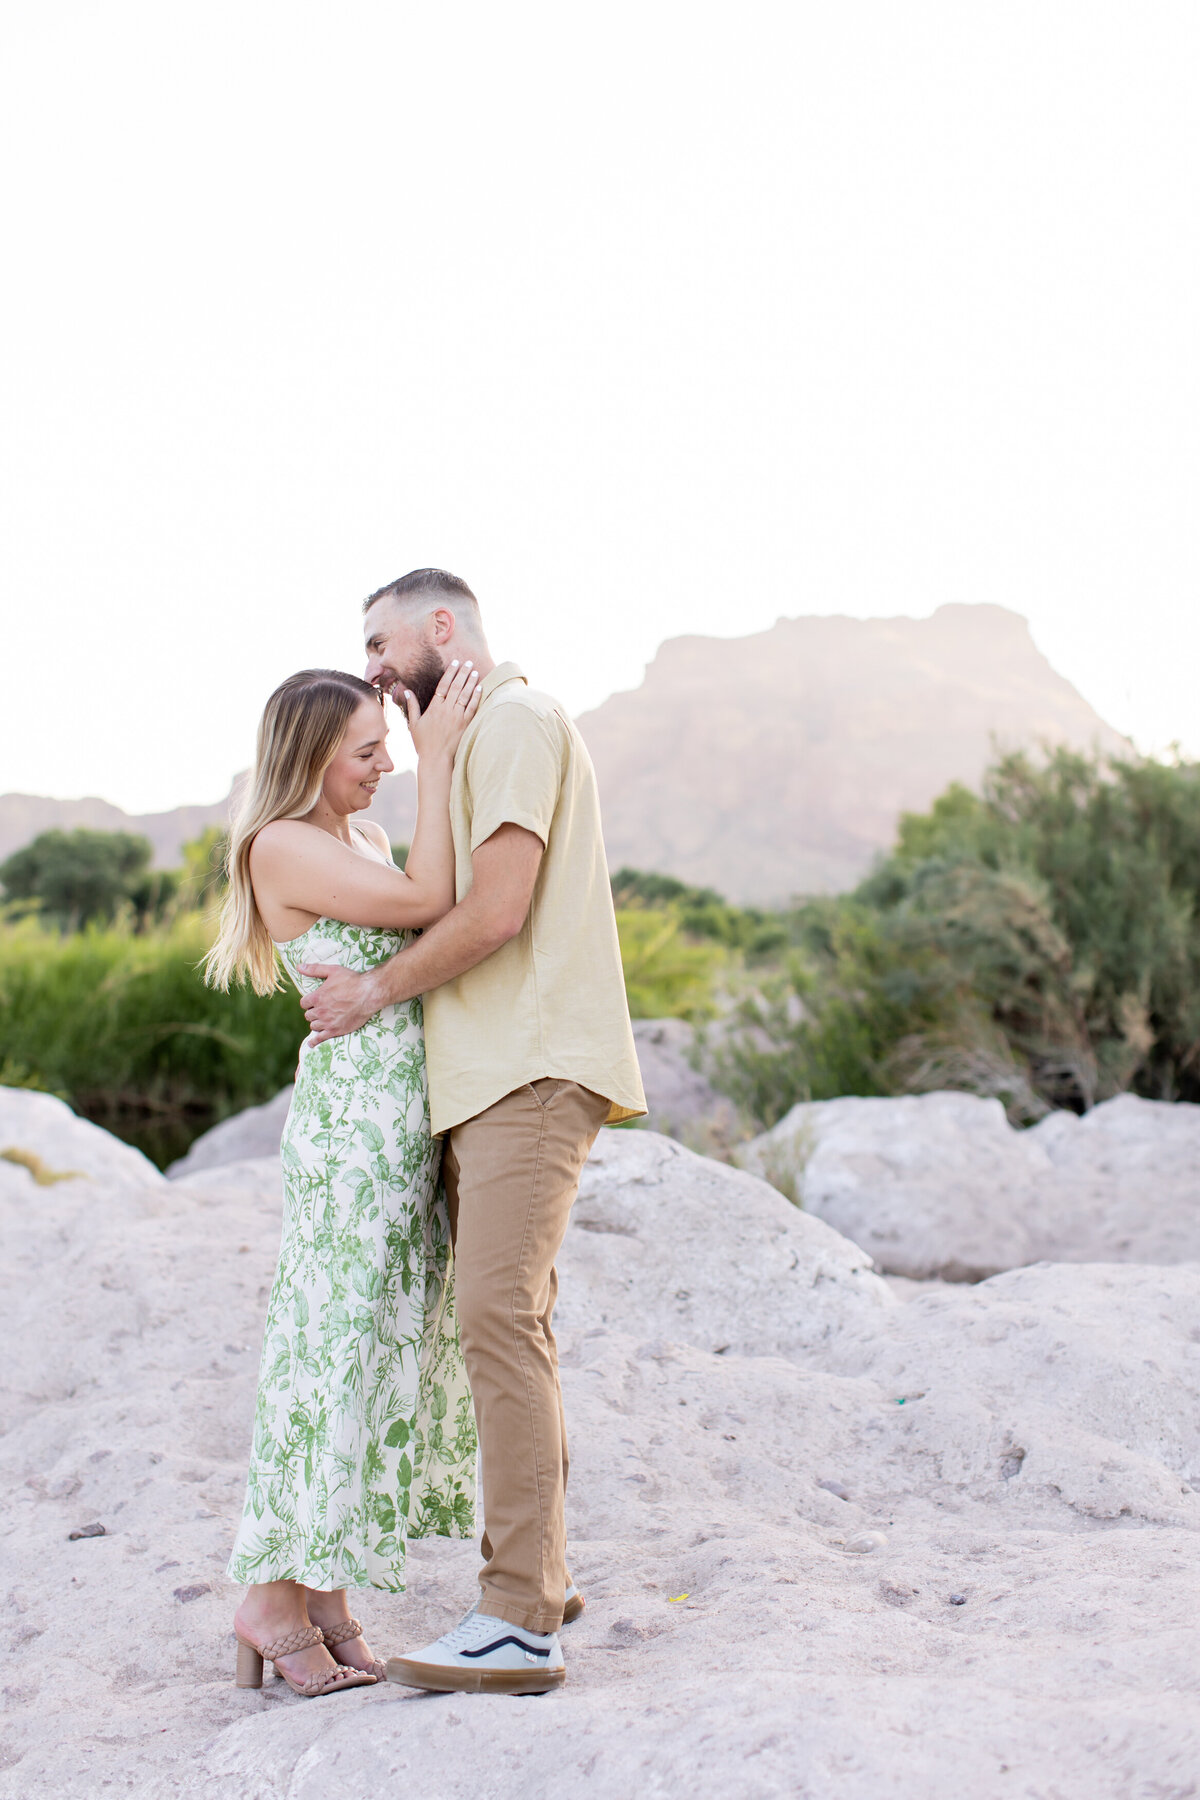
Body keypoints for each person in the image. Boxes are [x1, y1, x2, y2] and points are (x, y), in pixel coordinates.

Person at [298, 568, 647, 1695]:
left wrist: (373, 994)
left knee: (497, 1316)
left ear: (441, 627)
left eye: (381, 641)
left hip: (531, 1065)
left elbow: (494, 912)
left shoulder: (514, 718)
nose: (373, 668)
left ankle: (516, 1621)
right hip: (492, 1072)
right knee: (508, 1321)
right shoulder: (473, 740)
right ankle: (538, 1572)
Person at [205, 659, 482, 1699]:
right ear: (313, 755)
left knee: (368, 1352)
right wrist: (446, 755)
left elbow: (414, 910)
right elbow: (433, 899)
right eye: (367, 750)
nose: (385, 765)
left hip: (394, 1130)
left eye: (390, 747)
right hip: (350, 1137)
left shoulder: (354, 837)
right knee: (322, 1351)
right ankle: (270, 1598)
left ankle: (322, 1593)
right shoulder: (283, 843)